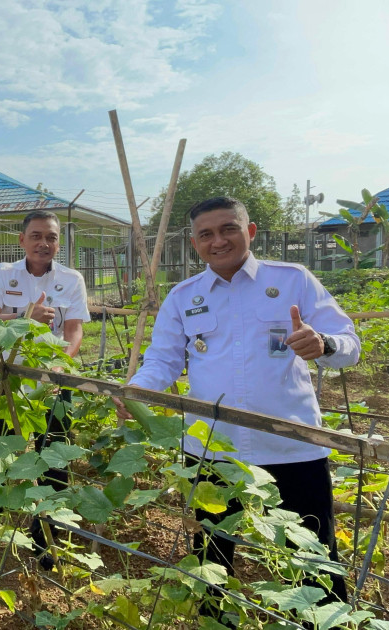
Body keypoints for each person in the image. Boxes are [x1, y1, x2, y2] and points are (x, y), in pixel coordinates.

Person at [116, 196, 360, 613]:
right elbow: (164, 359)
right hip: (212, 448)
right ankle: (217, 620)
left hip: (291, 445)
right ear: (195, 243)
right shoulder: (183, 296)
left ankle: (322, 622)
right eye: (206, 234)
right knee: (212, 555)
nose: (218, 241)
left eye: (229, 229)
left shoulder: (293, 280)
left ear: (249, 232)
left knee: (314, 557)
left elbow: (350, 344)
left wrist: (324, 343)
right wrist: (137, 389)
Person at [0, 209, 89, 565]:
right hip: (6, 376)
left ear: (59, 242)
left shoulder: (71, 279)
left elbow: (73, 330)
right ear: (22, 240)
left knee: (53, 458)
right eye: (37, 236)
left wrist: (61, 365)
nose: (44, 243)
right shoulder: (1, 274)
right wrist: (25, 315)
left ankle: (45, 540)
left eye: (51, 237)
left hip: (53, 381)